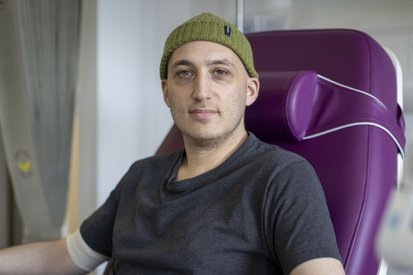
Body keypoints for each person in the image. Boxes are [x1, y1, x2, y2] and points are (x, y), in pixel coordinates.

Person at [0, 12, 345, 274]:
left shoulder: (281, 178)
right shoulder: (142, 175)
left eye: (220, 72)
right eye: (184, 73)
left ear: (250, 90)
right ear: (167, 91)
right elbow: (68, 255)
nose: (201, 91)